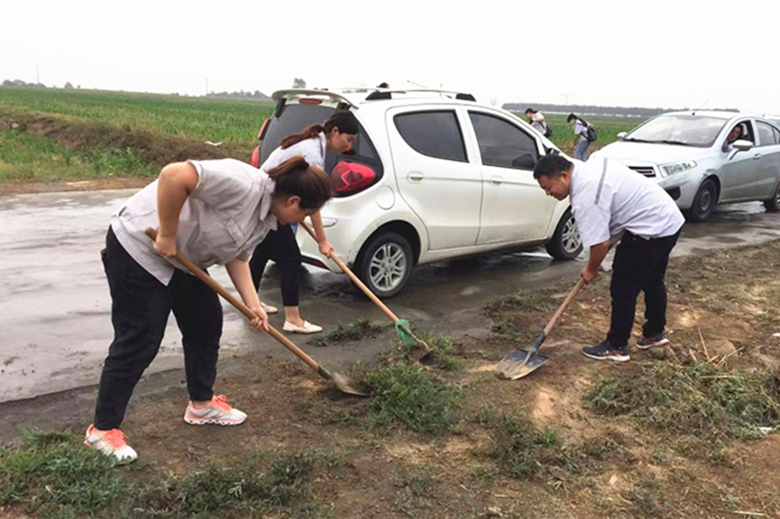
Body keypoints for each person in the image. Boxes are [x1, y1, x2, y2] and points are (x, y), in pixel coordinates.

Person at [85, 156, 332, 464]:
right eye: (305, 213)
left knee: (206, 324)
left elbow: (237, 258)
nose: (302, 221)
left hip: (185, 260)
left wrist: (253, 305)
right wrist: (168, 234)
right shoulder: (242, 183)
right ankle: (103, 429)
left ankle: (201, 404)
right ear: (293, 200)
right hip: (140, 248)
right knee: (140, 339)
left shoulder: (267, 218)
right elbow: (173, 175)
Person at [533, 154, 685, 362]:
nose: (548, 193)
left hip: (650, 227)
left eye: (548, 188)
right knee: (652, 281)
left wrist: (591, 270)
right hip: (667, 219)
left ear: (563, 176)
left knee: (623, 288)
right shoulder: (583, 168)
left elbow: (600, 243)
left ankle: (616, 345)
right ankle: (654, 334)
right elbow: (608, 229)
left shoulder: (586, 197)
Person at [250, 110, 358, 334]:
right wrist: (322, 241)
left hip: (270, 201)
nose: (348, 147)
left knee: (262, 251)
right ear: (335, 131)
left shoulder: (312, 144)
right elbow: (312, 203)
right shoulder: (311, 153)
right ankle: (293, 318)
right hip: (271, 202)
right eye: (348, 140)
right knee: (290, 258)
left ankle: (249, 303)